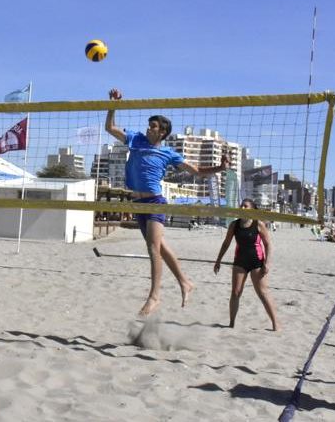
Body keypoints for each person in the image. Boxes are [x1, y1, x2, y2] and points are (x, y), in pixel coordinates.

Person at [105, 88, 229, 316]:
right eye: (149, 124)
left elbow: (198, 171)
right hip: (138, 203)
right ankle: (184, 281)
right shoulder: (136, 139)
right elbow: (110, 128)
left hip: (155, 201)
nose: (148, 128)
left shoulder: (169, 153)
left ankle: (154, 296)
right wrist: (113, 104)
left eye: (152, 126)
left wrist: (220, 168)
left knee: (153, 248)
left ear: (162, 132)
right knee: (160, 246)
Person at [213, 199, 279, 331]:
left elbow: (268, 244)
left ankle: (276, 324)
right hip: (240, 262)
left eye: (245, 206)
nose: (242, 207)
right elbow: (226, 243)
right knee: (235, 293)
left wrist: (267, 263)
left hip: (256, 262)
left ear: (252, 209)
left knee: (263, 293)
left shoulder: (258, 224)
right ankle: (231, 323)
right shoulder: (234, 225)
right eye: (241, 205)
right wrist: (218, 260)